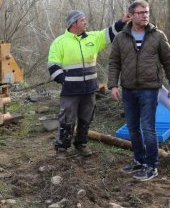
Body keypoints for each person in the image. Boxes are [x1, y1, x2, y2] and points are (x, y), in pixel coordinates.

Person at [108, 0, 170, 181]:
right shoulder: (120, 37)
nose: (145, 15)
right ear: (131, 16)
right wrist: (113, 85)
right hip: (129, 89)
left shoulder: (158, 36)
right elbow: (114, 63)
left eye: (146, 12)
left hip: (150, 89)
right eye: (140, 13)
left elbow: (169, 62)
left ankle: (152, 165)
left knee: (148, 128)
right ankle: (139, 160)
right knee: (133, 128)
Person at [48, 10, 130, 159]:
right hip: (70, 91)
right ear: (73, 24)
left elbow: (110, 33)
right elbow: (53, 66)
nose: (85, 22)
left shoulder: (93, 37)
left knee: (86, 118)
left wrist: (122, 21)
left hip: (89, 89)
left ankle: (81, 144)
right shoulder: (59, 42)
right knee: (67, 119)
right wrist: (64, 81)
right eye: (82, 20)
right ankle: (62, 148)